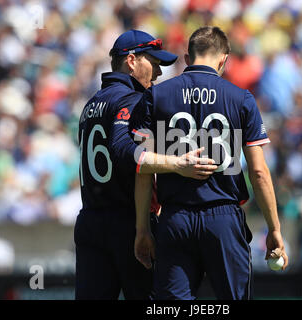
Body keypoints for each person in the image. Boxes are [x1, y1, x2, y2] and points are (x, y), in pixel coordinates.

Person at [133, 26, 289, 300]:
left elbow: (142, 166)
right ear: (224, 59)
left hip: (175, 218)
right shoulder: (241, 99)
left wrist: (143, 229)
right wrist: (274, 229)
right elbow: (259, 172)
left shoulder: (156, 96)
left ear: (187, 57)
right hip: (223, 219)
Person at [75, 30, 217, 300]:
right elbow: (122, 151)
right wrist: (177, 164)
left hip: (90, 221)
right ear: (131, 61)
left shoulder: (91, 103)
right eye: (153, 63)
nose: (158, 74)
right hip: (127, 224)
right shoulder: (132, 100)